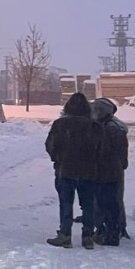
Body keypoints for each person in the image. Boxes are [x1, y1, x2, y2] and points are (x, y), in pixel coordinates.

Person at [45, 93, 101, 249]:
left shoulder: (60, 124)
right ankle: (88, 236)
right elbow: (102, 149)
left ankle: (65, 235)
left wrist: (58, 159)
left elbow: (50, 146)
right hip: (89, 171)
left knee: (66, 203)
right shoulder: (95, 126)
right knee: (88, 204)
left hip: (65, 170)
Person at [91, 97, 128, 246]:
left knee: (106, 203)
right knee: (112, 202)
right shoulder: (113, 126)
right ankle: (113, 231)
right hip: (114, 171)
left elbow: (104, 151)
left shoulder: (109, 128)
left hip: (106, 172)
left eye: (96, 110)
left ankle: (109, 234)